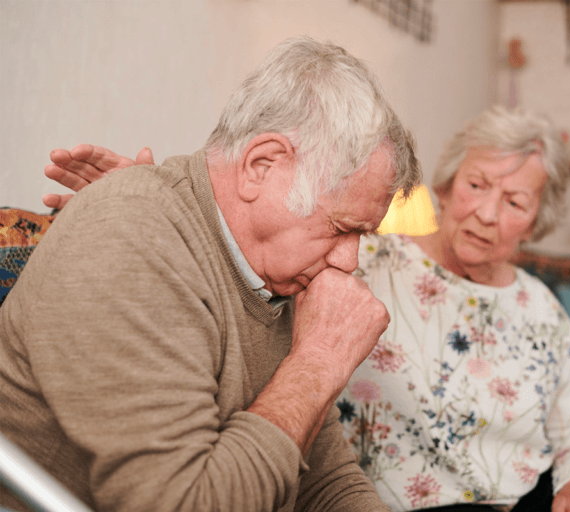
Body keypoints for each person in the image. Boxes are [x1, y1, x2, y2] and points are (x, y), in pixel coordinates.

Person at [42, 107, 570, 512]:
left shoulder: (539, 307)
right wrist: (153, 198)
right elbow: (256, 238)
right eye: (477, 185)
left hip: (529, 497)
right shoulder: (361, 258)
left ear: (537, 221)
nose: (487, 213)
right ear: (447, 186)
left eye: (514, 202)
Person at [0, 36, 421, 512]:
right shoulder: (131, 232)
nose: (349, 261)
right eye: (342, 228)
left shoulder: (273, 277)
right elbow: (180, 503)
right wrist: (318, 361)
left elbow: (326, 482)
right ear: (261, 165)